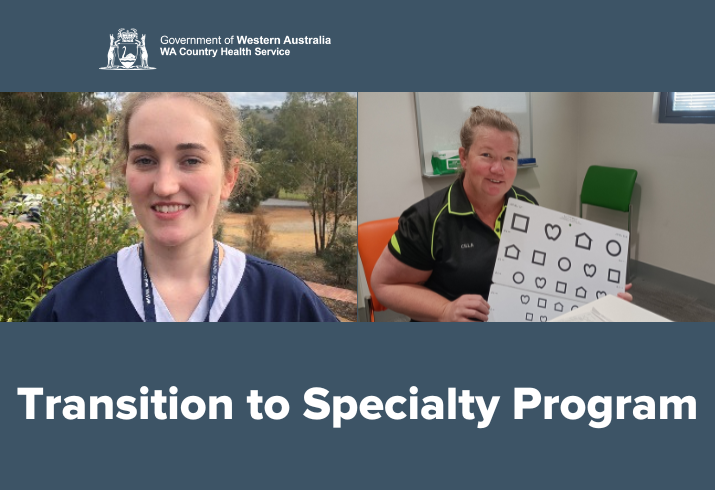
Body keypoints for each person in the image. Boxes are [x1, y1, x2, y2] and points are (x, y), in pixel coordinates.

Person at [29, 92, 338, 322]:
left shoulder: (283, 305)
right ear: (126, 172)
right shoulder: (68, 310)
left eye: (191, 160)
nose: (164, 186)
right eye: (145, 160)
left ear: (229, 178)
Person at [370, 106, 632, 322]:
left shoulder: (527, 205)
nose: (499, 169)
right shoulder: (427, 218)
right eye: (486, 155)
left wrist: (598, 293)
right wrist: (444, 310)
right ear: (464, 157)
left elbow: (549, 274)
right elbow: (384, 286)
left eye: (509, 158)